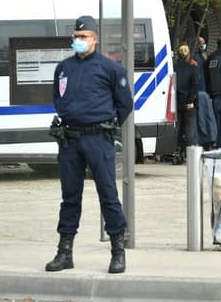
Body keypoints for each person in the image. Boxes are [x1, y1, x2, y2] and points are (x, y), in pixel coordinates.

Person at [46, 16, 134, 274]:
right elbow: (57, 98)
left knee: (108, 194)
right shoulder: (63, 68)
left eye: (84, 37)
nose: (79, 41)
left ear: (95, 39)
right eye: (76, 36)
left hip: (98, 138)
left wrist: (108, 123)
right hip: (70, 139)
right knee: (69, 197)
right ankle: (65, 252)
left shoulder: (111, 68)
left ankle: (118, 252)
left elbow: (125, 104)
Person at [174, 44, 199, 164]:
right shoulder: (192, 68)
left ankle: (177, 153)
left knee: (177, 129)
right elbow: (194, 86)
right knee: (189, 130)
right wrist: (191, 101)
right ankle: (190, 156)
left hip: (176, 102)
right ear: (188, 55)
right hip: (188, 103)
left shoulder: (173, 68)